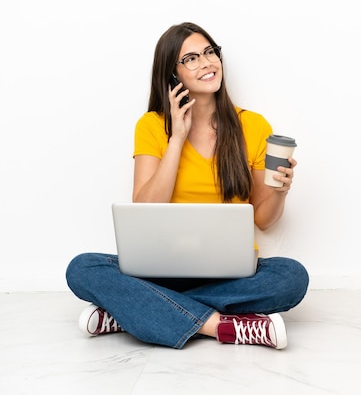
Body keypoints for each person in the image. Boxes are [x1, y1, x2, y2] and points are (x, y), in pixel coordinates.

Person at [65, 22, 309, 350]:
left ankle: (130, 311)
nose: (207, 62)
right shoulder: (152, 126)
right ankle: (223, 327)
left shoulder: (253, 125)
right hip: (161, 270)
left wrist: (279, 191)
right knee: (82, 268)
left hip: (230, 273)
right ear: (172, 74)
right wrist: (177, 137)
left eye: (210, 52)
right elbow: (147, 210)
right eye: (191, 58)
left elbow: (264, 219)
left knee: (291, 277)